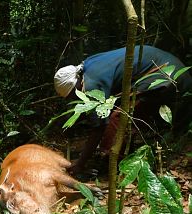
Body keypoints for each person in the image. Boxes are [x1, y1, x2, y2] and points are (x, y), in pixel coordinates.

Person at [54, 45, 192, 174]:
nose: (75, 98)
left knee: (118, 118)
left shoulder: (91, 84)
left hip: (167, 74)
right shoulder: (88, 65)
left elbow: (99, 126)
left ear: (76, 84)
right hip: (172, 67)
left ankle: (114, 162)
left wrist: (81, 163)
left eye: (73, 94)